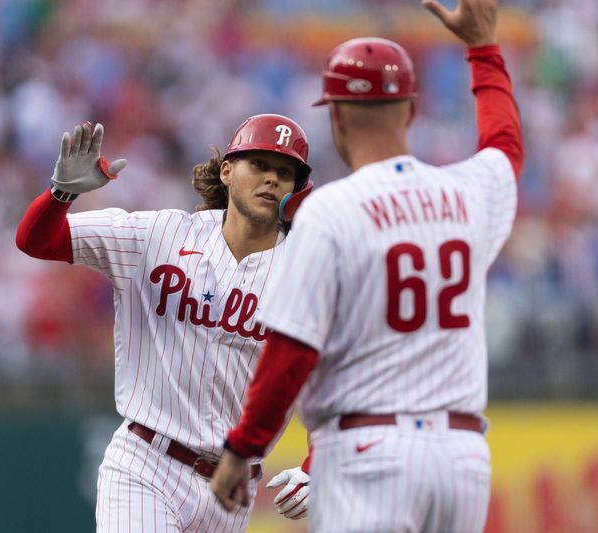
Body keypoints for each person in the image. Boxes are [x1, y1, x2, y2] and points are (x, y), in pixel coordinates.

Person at [210, 0, 524, 531]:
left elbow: (292, 352)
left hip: (368, 451)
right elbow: (504, 147)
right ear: (411, 111)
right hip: (462, 458)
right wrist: (483, 51)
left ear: (334, 115)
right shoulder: (470, 192)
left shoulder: (330, 212)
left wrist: (243, 448)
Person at [15, 114, 315, 532]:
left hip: (232, 489)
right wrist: (60, 194)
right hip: (146, 463)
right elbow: (37, 240)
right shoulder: (159, 235)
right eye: (259, 165)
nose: (271, 179)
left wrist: (316, 467)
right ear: (227, 171)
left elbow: (340, 381)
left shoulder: (305, 274)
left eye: (285, 172)